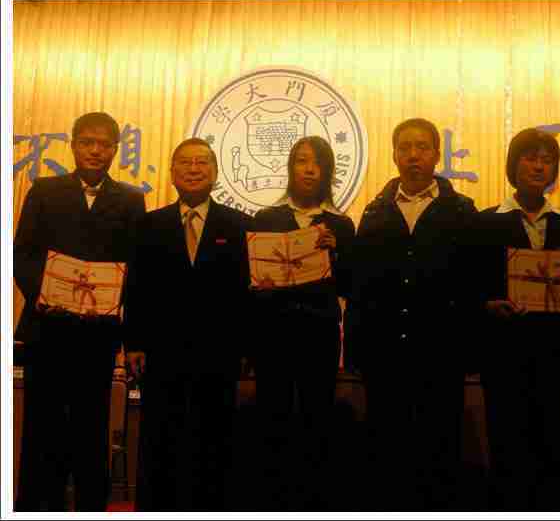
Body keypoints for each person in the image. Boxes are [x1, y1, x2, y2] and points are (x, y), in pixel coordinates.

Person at [13, 112, 146, 511]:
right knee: (41, 427)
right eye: (87, 142)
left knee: (91, 428)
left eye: (104, 144)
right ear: (73, 145)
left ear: (115, 150)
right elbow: (22, 254)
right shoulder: (44, 190)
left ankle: (90, 508)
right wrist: (45, 293)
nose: (95, 150)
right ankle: (37, 508)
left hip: (97, 335)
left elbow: (136, 269)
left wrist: (129, 334)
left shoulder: (130, 200)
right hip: (47, 329)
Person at [346, 118, 479, 510]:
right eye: (404, 147)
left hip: (442, 353)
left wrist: (469, 349)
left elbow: (472, 284)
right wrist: (356, 348)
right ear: (394, 155)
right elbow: (361, 287)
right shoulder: (375, 211)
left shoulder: (462, 211)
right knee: (387, 446)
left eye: (422, 147)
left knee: (440, 446)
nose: (413, 155)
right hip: (384, 353)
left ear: (437, 154)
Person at [125, 137, 250, 511]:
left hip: (219, 353)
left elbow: (248, 292)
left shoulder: (240, 225)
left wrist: (246, 347)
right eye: (185, 162)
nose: (194, 169)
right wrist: (134, 342)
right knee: (159, 439)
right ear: (172, 172)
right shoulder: (149, 224)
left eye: (202, 162)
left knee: (215, 439)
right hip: (161, 352)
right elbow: (136, 287)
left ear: (215, 171)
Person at [474, 128, 560, 510]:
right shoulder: (484, 222)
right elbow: (468, 287)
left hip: (556, 356)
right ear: (513, 165)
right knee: (506, 446)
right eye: (530, 158)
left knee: (553, 444)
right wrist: (487, 306)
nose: (539, 166)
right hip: (504, 356)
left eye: (547, 160)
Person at [248, 136, 355, 510]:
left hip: (319, 334)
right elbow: (250, 282)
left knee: (317, 417)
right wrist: (259, 283)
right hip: (273, 335)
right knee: (272, 416)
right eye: (302, 161)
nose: (309, 170)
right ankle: (272, 502)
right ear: (290, 168)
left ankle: (315, 502)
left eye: (318, 163)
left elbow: (352, 285)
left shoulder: (340, 224)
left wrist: (337, 252)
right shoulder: (266, 219)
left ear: (328, 172)